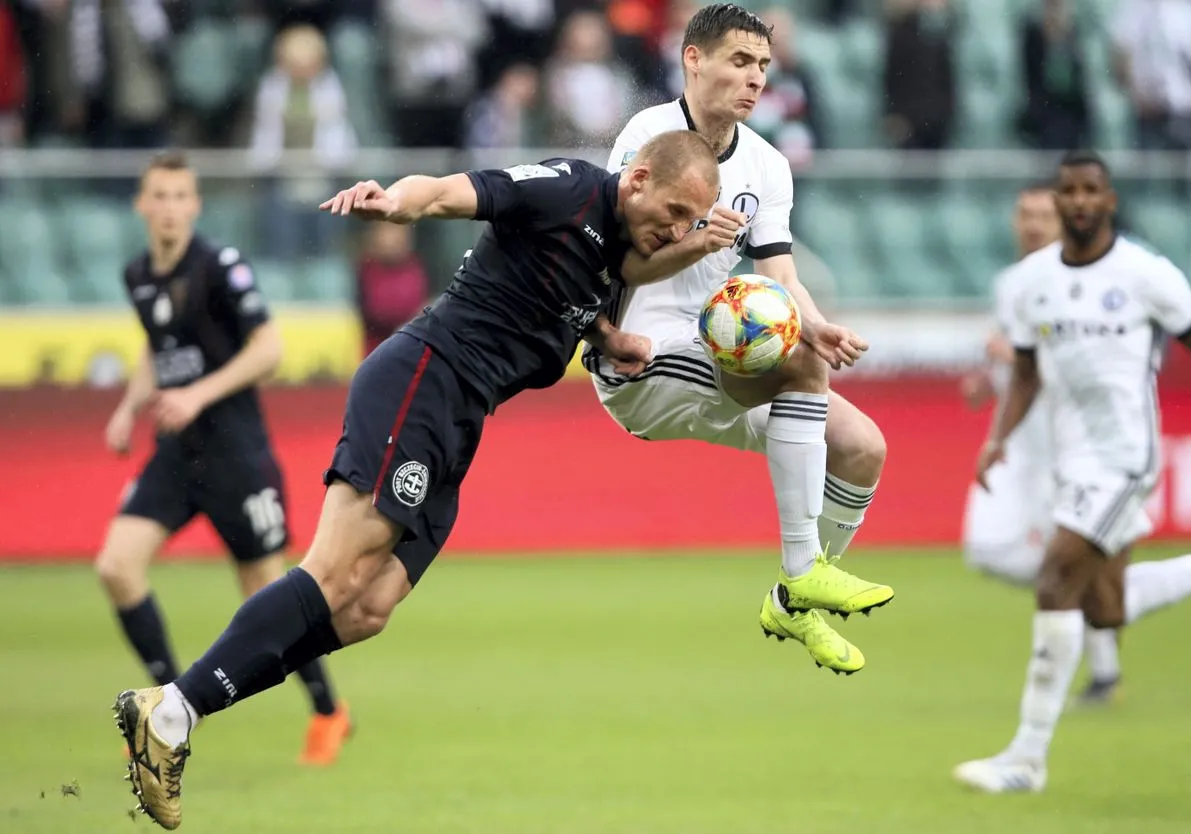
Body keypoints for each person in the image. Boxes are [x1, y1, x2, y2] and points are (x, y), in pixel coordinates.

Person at [112, 129, 723, 831]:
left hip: (460, 419)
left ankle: (179, 706)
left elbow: (573, 300)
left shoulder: (613, 250)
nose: (676, 231)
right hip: (424, 378)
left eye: (690, 224)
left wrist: (610, 339)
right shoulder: (569, 188)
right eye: (675, 213)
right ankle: (176, 710)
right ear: (639, 178)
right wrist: (395, 202)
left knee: (367, 608)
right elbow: (456, 191)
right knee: (335, 572)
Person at [953, 150, 1191, 794]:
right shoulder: (1031, 283)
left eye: (1091, 191)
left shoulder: (1144, 273)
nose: (1079, 201)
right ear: (1059, 202)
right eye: (1068, 191)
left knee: (1055, 578)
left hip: (1126, 457)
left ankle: (1026, 759)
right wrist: (999, 438)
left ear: (1108, 202)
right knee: (1101, 608)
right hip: (1068, 456)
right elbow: (1025, 372)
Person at [585, 3, 889, 677]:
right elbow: (620, 260)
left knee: (863, 448)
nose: (755, 79)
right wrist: (699, 243)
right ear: (693, 59)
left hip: (715, 348)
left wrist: (813, 322)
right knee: (802, 365)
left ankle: (794, 600)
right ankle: (803, 565)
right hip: (639, 358)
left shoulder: (767, 165)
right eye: (739, 62)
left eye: (762, 66)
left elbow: (781, 274)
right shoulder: (649, 136)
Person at [97, 150, 351, 768]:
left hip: (236, 455)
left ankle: (328, 710)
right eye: (158, 195)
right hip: (177, 456)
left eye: (181, 196)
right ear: (142, 204)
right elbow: (159, 350)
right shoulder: (139, 274)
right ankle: (167, 703)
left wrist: (197, 395)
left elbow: (269, 349)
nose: (169, 207)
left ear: (196, 206)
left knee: (266, 599)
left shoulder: (220, 267)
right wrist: (130, 408)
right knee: (116, 566)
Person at [960, 184, 1125, 705]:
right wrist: (989, 378)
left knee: (1066, 560)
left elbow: (1088, 364)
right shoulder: (1011, 282)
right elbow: (1012, 350)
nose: (1031, 224)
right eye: (1024, 213)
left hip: (1067, 444)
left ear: (1062, 222)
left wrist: (1015, 361)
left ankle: (1104, 672)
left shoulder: (1078, 283)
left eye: (1041, 215)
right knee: (986, 549)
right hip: (1018, 445)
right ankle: (1098, 593)